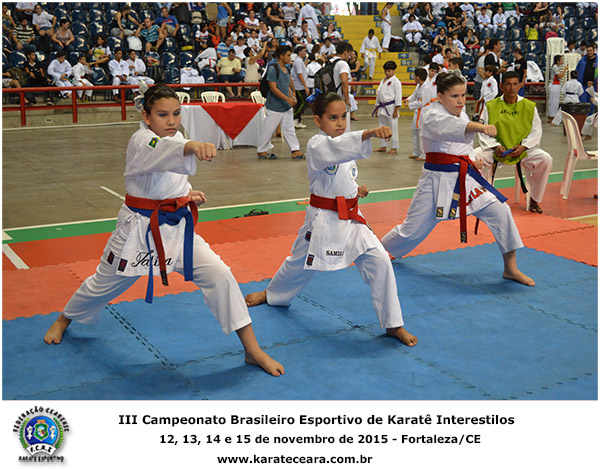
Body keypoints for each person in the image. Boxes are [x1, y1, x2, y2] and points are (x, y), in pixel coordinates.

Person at [43, 84, 284, 377]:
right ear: (146, 116)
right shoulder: (141, 140)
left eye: (176, 113)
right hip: (138, 233)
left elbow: (168, 178)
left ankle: (252, 350)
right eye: (162, 115)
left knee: (221, 275)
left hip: (177, 229)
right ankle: (64, 319)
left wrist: (185, 194)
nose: (171, 121)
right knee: (102, 285)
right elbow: (160, 152)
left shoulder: (177, 137)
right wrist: (192, 146)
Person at [245, 92, 418, 347]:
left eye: (343, 116)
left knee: (380, 260)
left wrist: (355, 189)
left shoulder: (344, 145)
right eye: (333, 118)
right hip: (323, 219)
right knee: (299, 263)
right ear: (318, 120)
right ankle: (272, 294)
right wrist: (369, 133)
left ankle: (393, 324)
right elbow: (336, 151)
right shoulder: (317, 144)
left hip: (351, 218)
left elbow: (342, 176)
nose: (340, 123)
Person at [382, 73, 535, 287]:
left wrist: (473, 160)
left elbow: (463, 147)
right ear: (440, 96)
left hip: (465, 180)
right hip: (435, 182)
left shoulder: (461, 114)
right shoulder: (431, 115)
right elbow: (450, 129)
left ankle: (511, 268)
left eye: (463, 95)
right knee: (411, 230)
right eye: (454, 96)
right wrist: (481, 127)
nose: (461, 101)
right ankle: (380, 252)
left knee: (501, 211)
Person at [474, 71, 553, 214]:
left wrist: (524, 147)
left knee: (545, 159)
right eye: (508, 84)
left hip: (521, 150)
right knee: (474, 157)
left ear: (520, 85)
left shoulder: (529, 106)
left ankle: (534, 199)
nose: (512, 88)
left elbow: (536, 131)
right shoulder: (491, 106)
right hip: (497, 150)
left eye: (515, 84)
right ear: (501, 86)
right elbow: (483, 130)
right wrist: (496, 146)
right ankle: (483, 196)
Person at [256, 44, 303, 160]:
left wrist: (293, 93)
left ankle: (295, 150)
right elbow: (273, 88)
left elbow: (289, 81)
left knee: (289, 129)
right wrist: (287, 99)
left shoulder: (287, 68)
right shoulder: (273, 68)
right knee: (268, 129)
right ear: (281, 56)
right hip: (275, 106)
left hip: (286, 105)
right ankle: (261, 151)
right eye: (288, 55)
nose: (290, 58)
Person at [373, 60, 402, 154]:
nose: (387, 73)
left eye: (389, 71)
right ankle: (383, 145)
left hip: (391, 107)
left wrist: (396, 109)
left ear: (394, 70)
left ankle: (394, 147)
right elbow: (379, 94)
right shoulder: (383, 80)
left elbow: (398, 96)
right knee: (382, 127)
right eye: (385, 71)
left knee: (393, 127)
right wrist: (377, 107)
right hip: (382, 106)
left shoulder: (396, 82)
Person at [405, 67, 429, 160]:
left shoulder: (426, 87)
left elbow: (422, 102)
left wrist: (410, 105)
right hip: (417, 111)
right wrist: (408, 99)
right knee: (415, 131)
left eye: (414, 76)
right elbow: (414, 95)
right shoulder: (419, 86)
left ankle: (423, 154)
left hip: (423, 111)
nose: (414, 78)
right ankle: (416, 152)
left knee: (421, 133)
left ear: (418, 77)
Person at [332, 41, 354, 132]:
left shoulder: (330, 62)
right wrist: (347, 100)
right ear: (345, 52)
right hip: (339, 99)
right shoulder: (343, 64)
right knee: (344, 128)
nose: (349, 56)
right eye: (349, 54)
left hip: (329, 98)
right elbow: (344, 81)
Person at [292, 45, 308, 128]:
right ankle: (294, 117)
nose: (305, 53)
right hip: (299, 86)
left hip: (301, 85)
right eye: (304, 51)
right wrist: (305, 87)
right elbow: (300, 74)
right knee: (303, 103)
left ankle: (298, 121)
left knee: (299, 103)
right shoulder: (298, 61)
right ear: (299, 52)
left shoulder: (300, 61)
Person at [547, 55, 566, 123]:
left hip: (556, 85)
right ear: (557, 61)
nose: (562, 61)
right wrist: (565, 69)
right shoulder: (555, 67)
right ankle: (551, 116)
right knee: (553, 102)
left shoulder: (556, 67)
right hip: (554, 85)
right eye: (561, 60)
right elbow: (560, 76)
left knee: (555, 102)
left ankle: (553, 116)